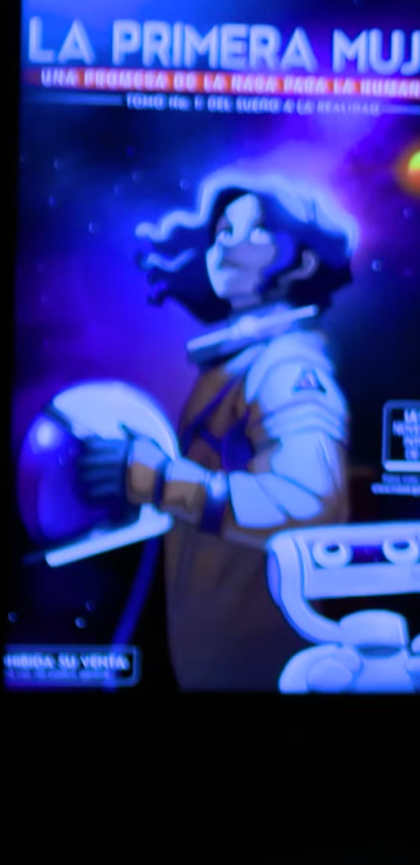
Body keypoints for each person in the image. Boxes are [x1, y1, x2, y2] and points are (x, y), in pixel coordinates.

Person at [77, 169, 357, 691]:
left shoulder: (288, 366)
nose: (230, 244)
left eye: (254, 231)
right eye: (223, 232)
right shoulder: (238, 361)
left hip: (262, 661)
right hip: (212, 658)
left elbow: (310, 502)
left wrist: (161, 482)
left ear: (303, 258)